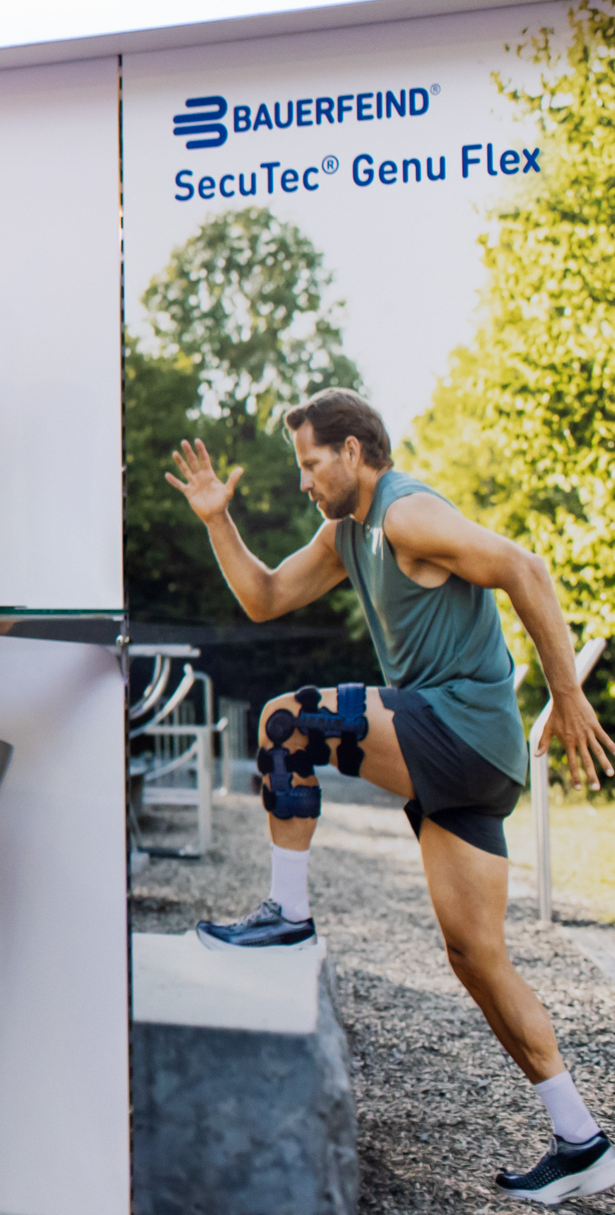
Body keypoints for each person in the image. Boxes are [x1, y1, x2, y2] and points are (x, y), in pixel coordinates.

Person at [169, 387, 615, 1206]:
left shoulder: (406, 513)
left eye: (311, 464)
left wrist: (567, 694)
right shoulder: (346, 533)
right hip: (467, 759)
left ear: (352, 451)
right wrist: (216, 520)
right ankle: (582, 1137)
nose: (303, 481)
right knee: (475, 956)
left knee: (286, 721)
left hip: (460, 730)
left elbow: (525, 567)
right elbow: (264, 597)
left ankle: (287, 912)